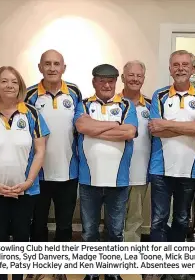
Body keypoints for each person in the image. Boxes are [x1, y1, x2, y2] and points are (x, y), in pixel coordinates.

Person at [0, 66, 49, 280]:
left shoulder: (32, 113)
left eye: (14, 82)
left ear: (20, 86)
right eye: (4, 81)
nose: (9, 85)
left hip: (25, 190)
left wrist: (28, 182)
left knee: (21, 239)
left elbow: (40, 150)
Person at [148, 50, 195, 280]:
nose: (181, 68)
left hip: (190, 170)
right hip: (160, 169)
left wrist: (169, 125)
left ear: (193, 69)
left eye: (185, 65)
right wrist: (188, 127)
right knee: (158, 219)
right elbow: (154, 128)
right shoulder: (160, 95)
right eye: (176, 64)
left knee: (183, 219)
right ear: (170, 68)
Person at [74, 64, 138, 280]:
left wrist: (96, 129)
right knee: (89, 231)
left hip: (119, 181)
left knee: (115, 231)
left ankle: (112, 272)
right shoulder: (82, 104)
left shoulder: (127, 105)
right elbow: (83, 127)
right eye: (102, 80)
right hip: (88, 179)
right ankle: (91, 272)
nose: (107, 84)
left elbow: (129, 131)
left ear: (116, 82)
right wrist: (114, 125)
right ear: (94, 82)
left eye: (111, 80)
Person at [27, 50, 82, 244]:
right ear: (40, 67)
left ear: (63, 68)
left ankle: (60, 268)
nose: (52, 68)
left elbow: (80, 126)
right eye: (47, 64)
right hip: (38, 174)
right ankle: (38, 268)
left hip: (68, 172)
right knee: (38, 223)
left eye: (56, 64)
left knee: (64, 224)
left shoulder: (74, 92)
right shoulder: (29, 95)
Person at [120, 60, 151, 243]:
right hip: (114, 173)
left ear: (144, 79)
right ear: (123, 77)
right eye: (131, 75)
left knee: (135, 219)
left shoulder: (151, 105)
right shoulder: (112, 103)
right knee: (114, 219)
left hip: (140, 172)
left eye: (139, 76)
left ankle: (130, 261)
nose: (135, 79)